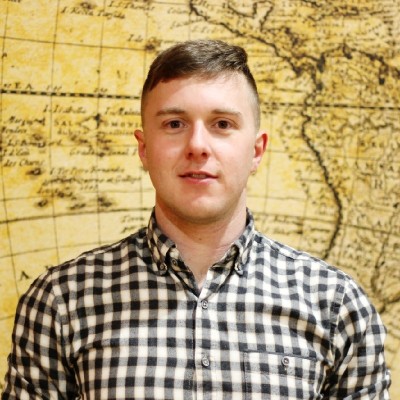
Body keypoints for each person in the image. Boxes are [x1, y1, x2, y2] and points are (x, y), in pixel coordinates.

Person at [2, 39, 391, 399]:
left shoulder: (337, 306)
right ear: (144, 149)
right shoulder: (62, 301)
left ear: (256, 151)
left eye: (222, 124)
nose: (197, 146)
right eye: (175, 124)